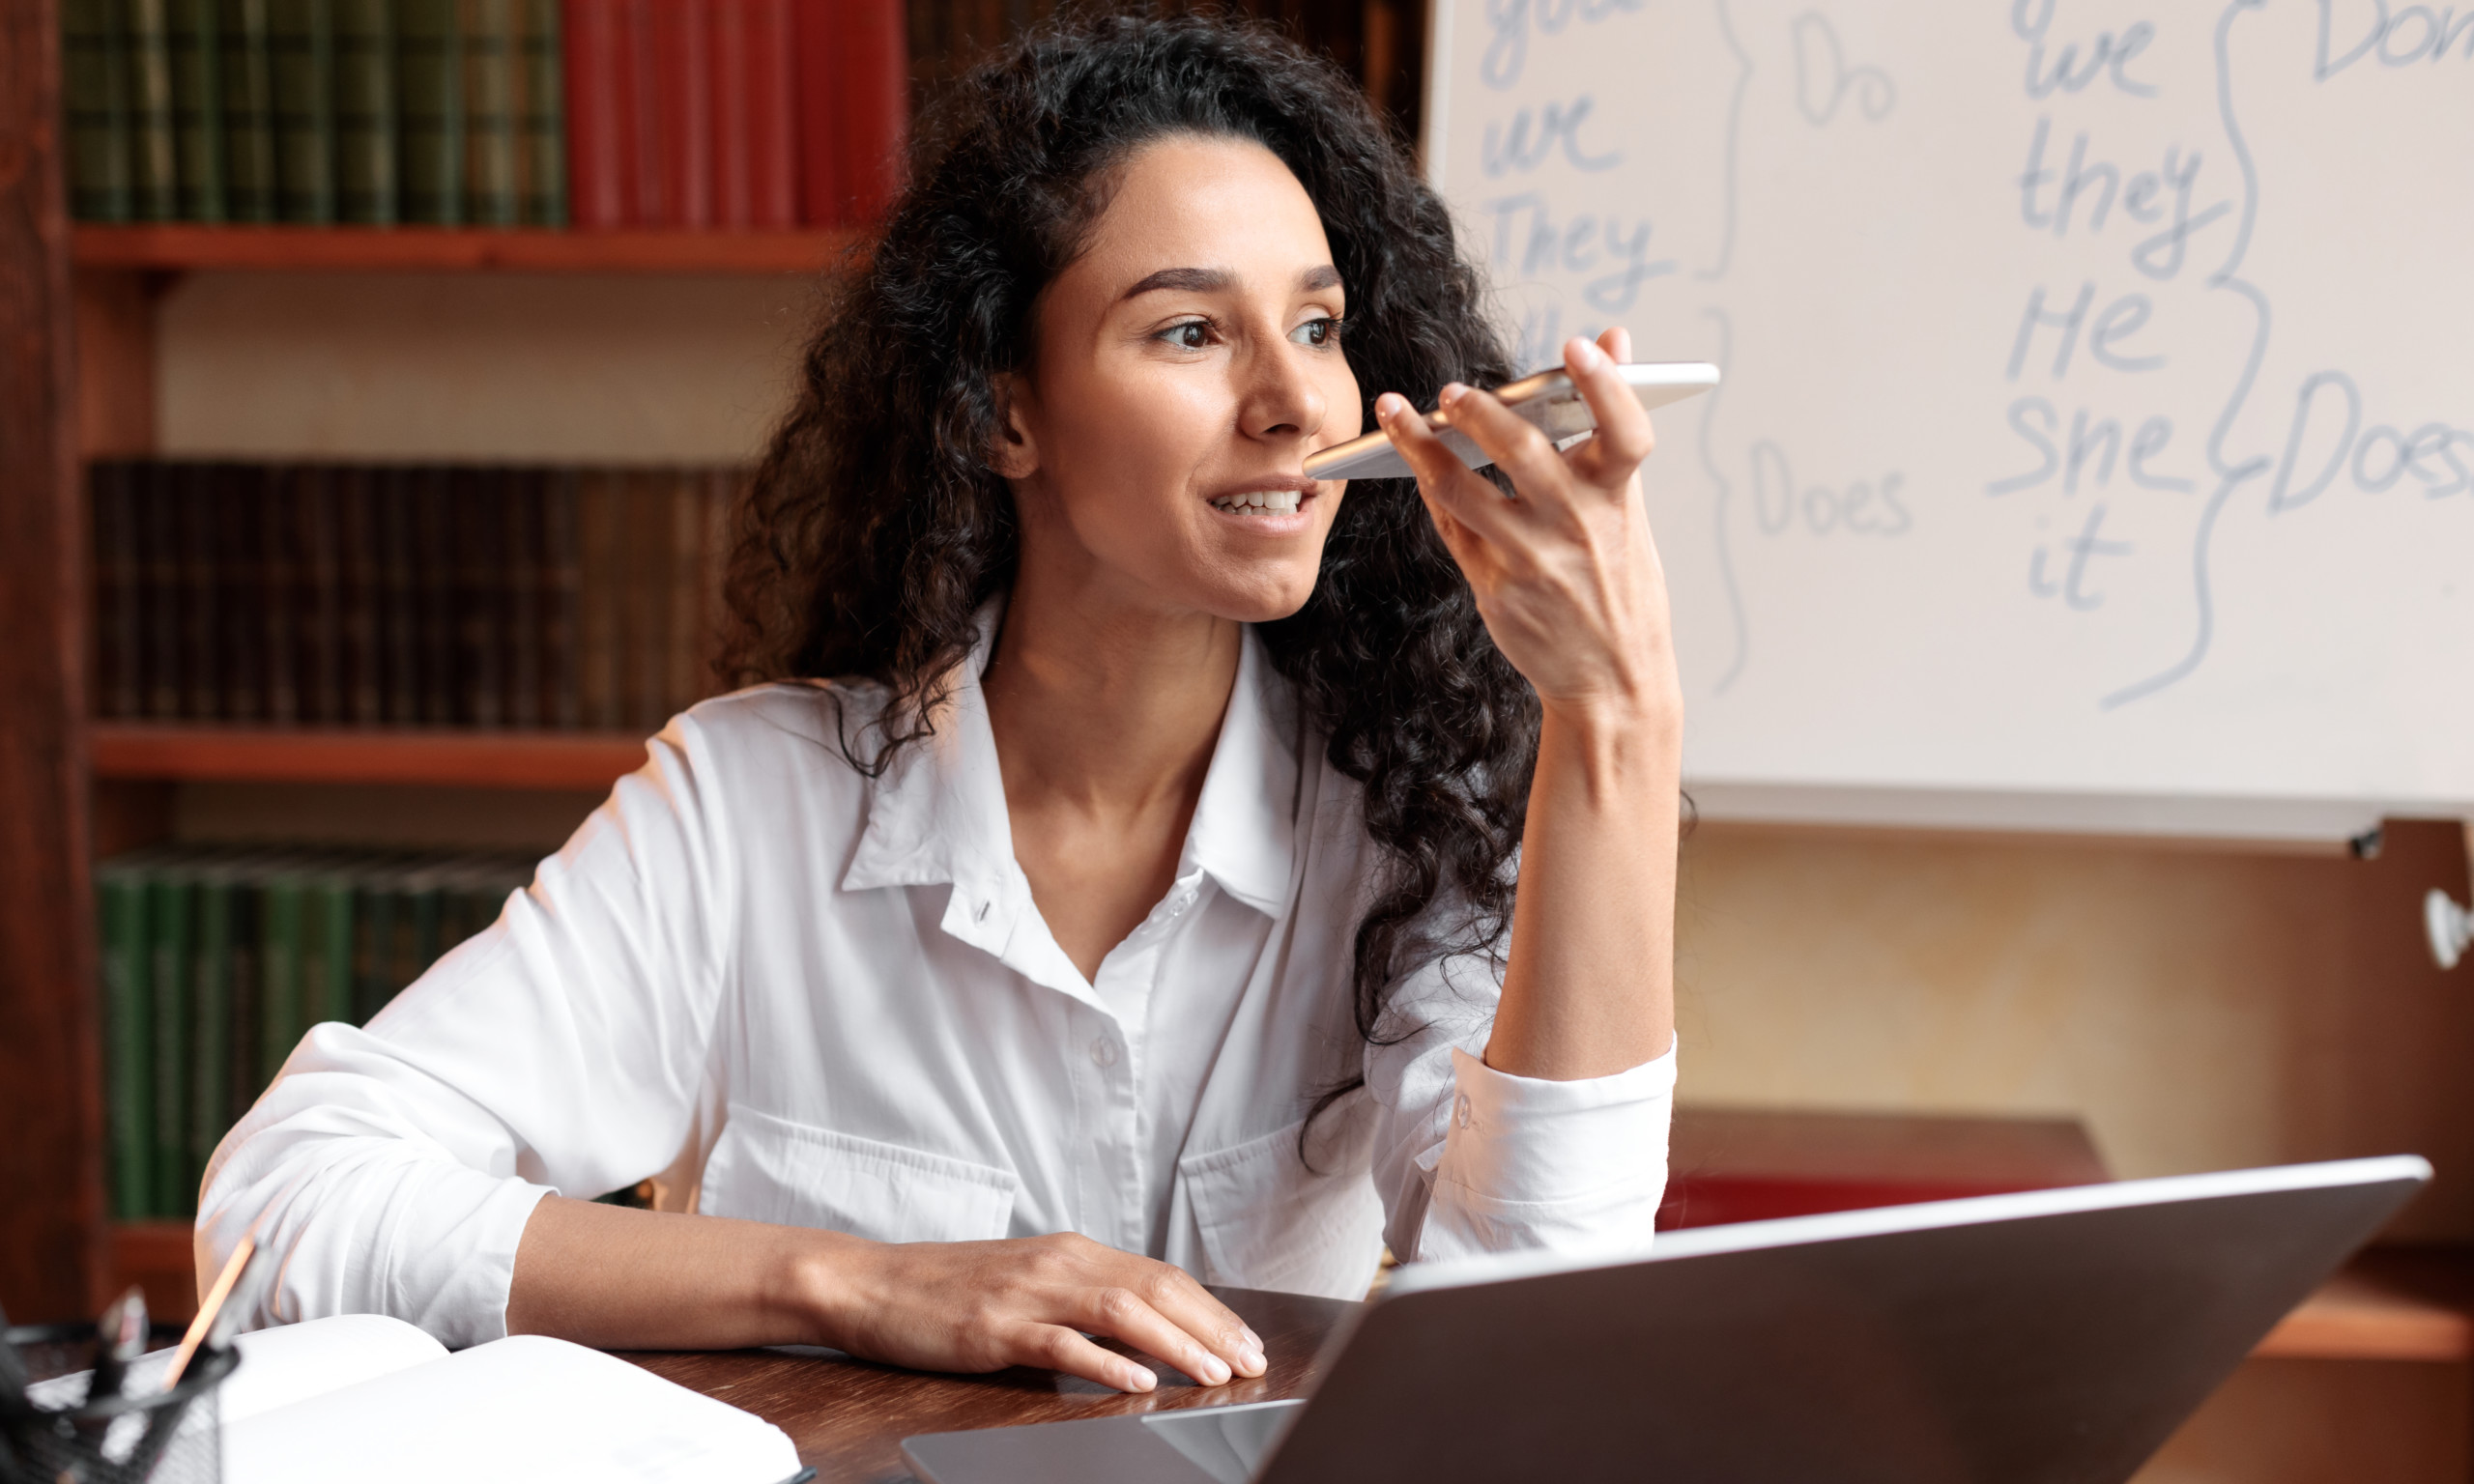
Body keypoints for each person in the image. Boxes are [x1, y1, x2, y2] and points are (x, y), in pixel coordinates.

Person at [197, 12, 1685, 1395]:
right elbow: (283, 1205)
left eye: (1315, 326)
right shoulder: (748, 809)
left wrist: (1616, 716)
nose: (1298, 404)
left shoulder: (1402, 817)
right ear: (1001, 413)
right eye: (1189, 332)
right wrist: (854, 1284)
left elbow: (1548, 1327)